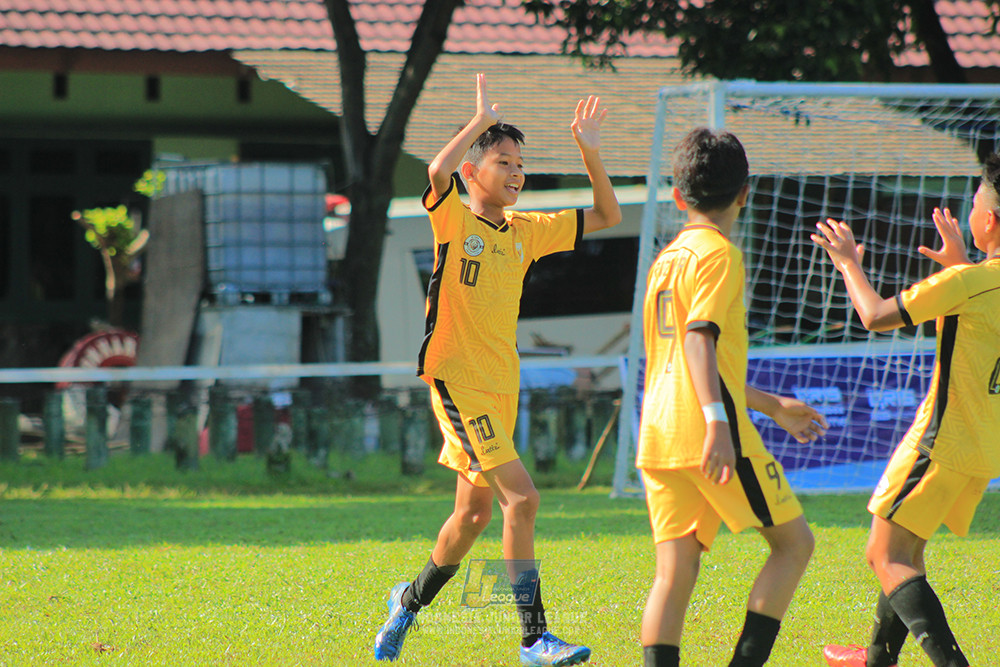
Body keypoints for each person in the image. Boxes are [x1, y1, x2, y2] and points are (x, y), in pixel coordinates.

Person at [372, 73, 621, 665]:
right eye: (502, 160)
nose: (515, 172)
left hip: (500, 385)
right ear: (473, 171)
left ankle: (405, 604)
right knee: (523, 501)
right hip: (459, 382)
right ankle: (535, 639)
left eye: (520, 163)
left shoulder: (525, 232)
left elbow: (608, 214)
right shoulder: (453, 220)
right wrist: (479, 123)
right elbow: (434, 175)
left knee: (472, 515)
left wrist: (589, 151)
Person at [636, 127, 829, 667]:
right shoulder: (719, 255)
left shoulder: (667, 259)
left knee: (675, 573)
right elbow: (700, 339)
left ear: (678, 197)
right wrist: (719, 424)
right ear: (745, 192)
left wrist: (770, 405)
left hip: (658, 434)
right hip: (709, 435)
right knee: (794, 546)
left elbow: (691, 361)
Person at [813, 154, 1000, 667]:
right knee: (907, 554)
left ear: (991, 220)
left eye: (977, 203)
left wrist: (848, 260)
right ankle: (877, 658)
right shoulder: (977, 280)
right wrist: (963, 266)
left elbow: (873, 315)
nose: (971, 210)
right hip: (983, 446)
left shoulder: (971, 283)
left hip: (940, 442)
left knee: (885, 555)